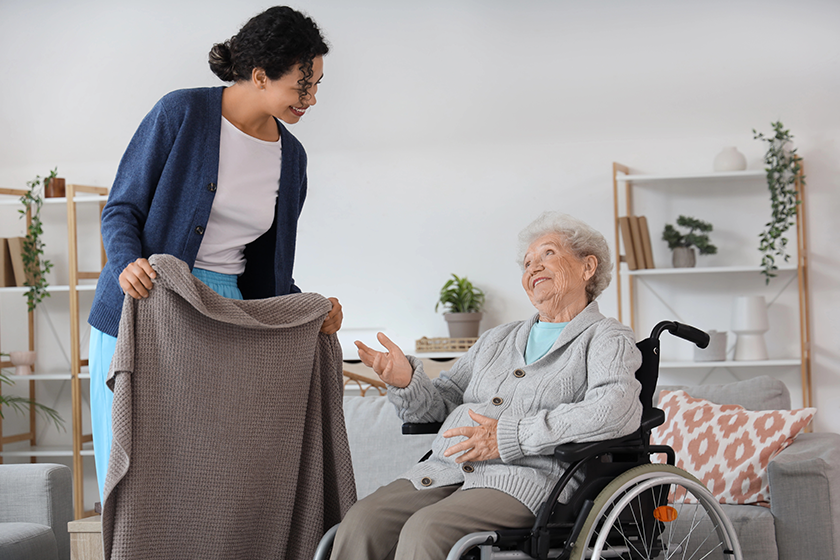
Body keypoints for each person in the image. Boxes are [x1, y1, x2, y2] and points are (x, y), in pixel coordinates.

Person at [87, 6, 342, 502]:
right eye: (302, 85)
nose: (311, 99)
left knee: (208, 482)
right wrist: (126, 265)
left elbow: (269, 272)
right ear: (260, 75)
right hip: (145, 303)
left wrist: (312, 310)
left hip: (224, 319)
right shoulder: (180, 112)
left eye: (316, 85)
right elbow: (121, 209)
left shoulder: (292, 158)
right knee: (135, 477)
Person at [330, 212, 643, 560]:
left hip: (526, 479)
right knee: (361, 521)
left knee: (427, 529)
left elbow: (615, 409)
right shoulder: (497, 339)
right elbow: (441, 404)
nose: (534, 267)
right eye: (527, 263)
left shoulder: (607, 337)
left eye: (548, 254)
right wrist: (406, 382)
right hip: (447, 470)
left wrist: (509, 436)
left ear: (588, 267)